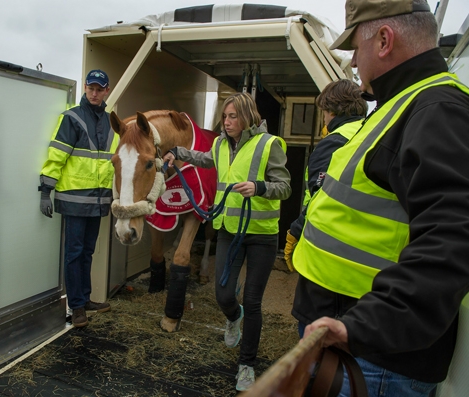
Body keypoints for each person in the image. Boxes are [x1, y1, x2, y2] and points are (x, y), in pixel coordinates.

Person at [291, 0, 469, 395]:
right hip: (354, 343)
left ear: (384, 40)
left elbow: (452, 240)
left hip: (375, 360)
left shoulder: (437, 111)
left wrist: (362, 328)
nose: (353, 62)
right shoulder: (403, 104)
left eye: (356, 46)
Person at [163, 92, 291, 391]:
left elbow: (284, 187)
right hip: (228, 230)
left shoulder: (270, 144)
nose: (227, 122)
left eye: (233, 116)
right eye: (225, 116)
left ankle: (246, 366)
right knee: (223, 295)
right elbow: (204, 159)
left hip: (261, 235)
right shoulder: (220, 144)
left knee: (254, 302)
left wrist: (259, 187)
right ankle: (234, 317)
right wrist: (177, 152)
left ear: (248, 116)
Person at [39, 69, 119, 328]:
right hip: (74, 199)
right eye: (90, 88)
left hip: (98, 201)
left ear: (106, 91)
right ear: (85, 88)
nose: (94, 93)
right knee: (74, 254)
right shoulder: (71, 118)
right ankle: (76, 307)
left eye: (99, 89)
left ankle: (84, 300)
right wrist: (45, 190)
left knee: (87, 253)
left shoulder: (110, 123)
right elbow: (57, 155)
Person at [283, 79, 367, 275]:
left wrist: (296, 231)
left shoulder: (334, 142)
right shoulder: (372, 132)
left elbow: (321, 195)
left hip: (328, 244)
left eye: (323, 112)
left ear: (332, 111)